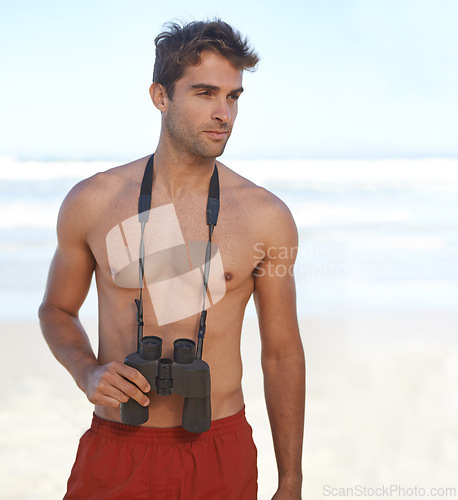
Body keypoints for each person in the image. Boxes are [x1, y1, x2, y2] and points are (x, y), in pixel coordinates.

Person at [39, 19, 305, 500]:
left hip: (219, 449)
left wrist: (291, 481)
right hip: (118, 444)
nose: (223, 113)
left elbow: (282, 354)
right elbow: (55, 309)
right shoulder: (93, 202)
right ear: (160, 96)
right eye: (205, 93)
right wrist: (88, 371)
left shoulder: (267, 217)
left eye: (233, 97)